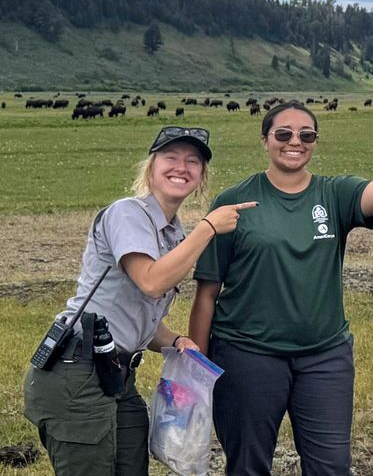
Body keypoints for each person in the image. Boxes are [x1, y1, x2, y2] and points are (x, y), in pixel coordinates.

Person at [188, 101, 373, 475]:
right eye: (284, 134)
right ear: (265, 140)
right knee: (247, 466)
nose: (295, 142)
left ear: (315, 142)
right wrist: (197, 370)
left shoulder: (334, 194)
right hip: (247, 355)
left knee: (331, 466)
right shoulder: (233, 202)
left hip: (325, 357)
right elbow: (207, 292)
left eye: (306, 135)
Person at [24, 126, 255, 475]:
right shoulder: (127, 213)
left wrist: (175, 340)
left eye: (193, 161)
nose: (182, 167)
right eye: (171, 158)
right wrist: (207, 228)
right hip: (76, 370)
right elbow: (151, 281)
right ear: (150, 168)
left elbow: (138, 319)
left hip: (116, 375)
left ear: (202, 176)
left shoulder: (173, 232)